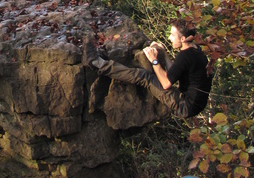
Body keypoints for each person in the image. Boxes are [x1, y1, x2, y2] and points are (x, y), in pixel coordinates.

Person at [83, 20, 212, 118]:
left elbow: (166, 83)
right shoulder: (195, 51)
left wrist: (154, 60)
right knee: (151, 73)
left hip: (185, 106)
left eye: (173, 35)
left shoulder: (185, 55)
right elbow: (175, 71)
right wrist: (163, 52)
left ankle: (98, 64)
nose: (169, 38)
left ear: (183, 39)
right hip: (194, 103)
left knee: (145, 76)